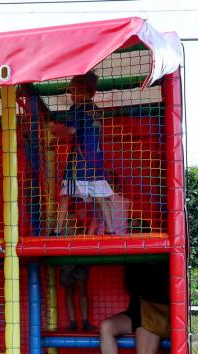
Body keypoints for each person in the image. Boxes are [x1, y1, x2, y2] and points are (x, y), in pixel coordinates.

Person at [47, 71, 126, 236]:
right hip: (96, 160)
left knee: (65, 195)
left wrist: (54, 130)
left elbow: (71, 130)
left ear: (81, 91)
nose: (71, 96)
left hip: (79, 161)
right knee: (101, 196)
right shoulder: (96, 110)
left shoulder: (77, 108)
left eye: (73, 91)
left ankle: (57, 230)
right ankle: (110, 230)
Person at [60, 264, 94, 331]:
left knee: (82, 288)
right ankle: (73, 322)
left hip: (80, 261)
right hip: (66, 261)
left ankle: (84, 322)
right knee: (69, 289)